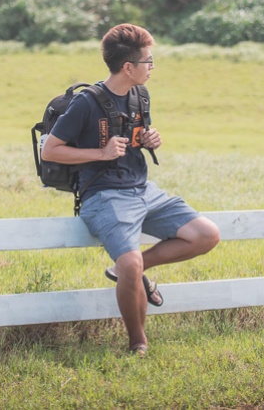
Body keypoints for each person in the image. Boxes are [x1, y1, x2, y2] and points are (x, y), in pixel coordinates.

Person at [41, 23, 220, 356]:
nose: (152, 67)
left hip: (143, 189)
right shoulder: (85, 103)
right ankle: (138, 342)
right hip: (104, 196)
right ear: (128, 67)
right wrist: (101, 153)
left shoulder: (141, 95)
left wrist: (150, 139)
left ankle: (127, 269)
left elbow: (134, 136)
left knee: (206, 234)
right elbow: (49, 150)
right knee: (131, 263)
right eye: (148, 61)